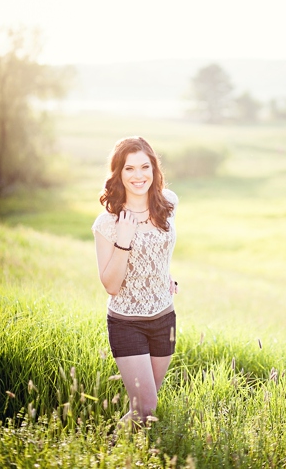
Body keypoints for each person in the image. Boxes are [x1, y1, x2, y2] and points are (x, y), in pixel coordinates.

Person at [92, 136, 179, 428]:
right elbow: (111, 285)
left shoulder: (168, 203)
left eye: (145, 166)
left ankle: (124, 450)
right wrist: (124, 242)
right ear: (118, 173)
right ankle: (110, 447)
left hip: (164, 318)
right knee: (146, 406)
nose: (139, 175)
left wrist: (165, 275)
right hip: (127, 322)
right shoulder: (107, 223)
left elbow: (162, 248)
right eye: (129, 169)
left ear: (154, 168)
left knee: (147, 407)